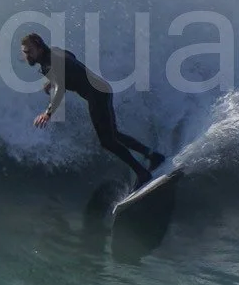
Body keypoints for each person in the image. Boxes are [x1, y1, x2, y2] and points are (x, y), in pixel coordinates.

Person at [22, 32, 163, 187]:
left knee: (107, 141)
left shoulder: (50, 64)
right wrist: (54, 80)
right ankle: (153, 156)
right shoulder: (54, 52)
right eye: (24, 52)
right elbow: (71, 57)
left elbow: (59, 89)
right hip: (101, 89)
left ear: (39, 47)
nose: (26, 55)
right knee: (113, 135)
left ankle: (142, 172)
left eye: (29, 51)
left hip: (97, 95)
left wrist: (48, 112)